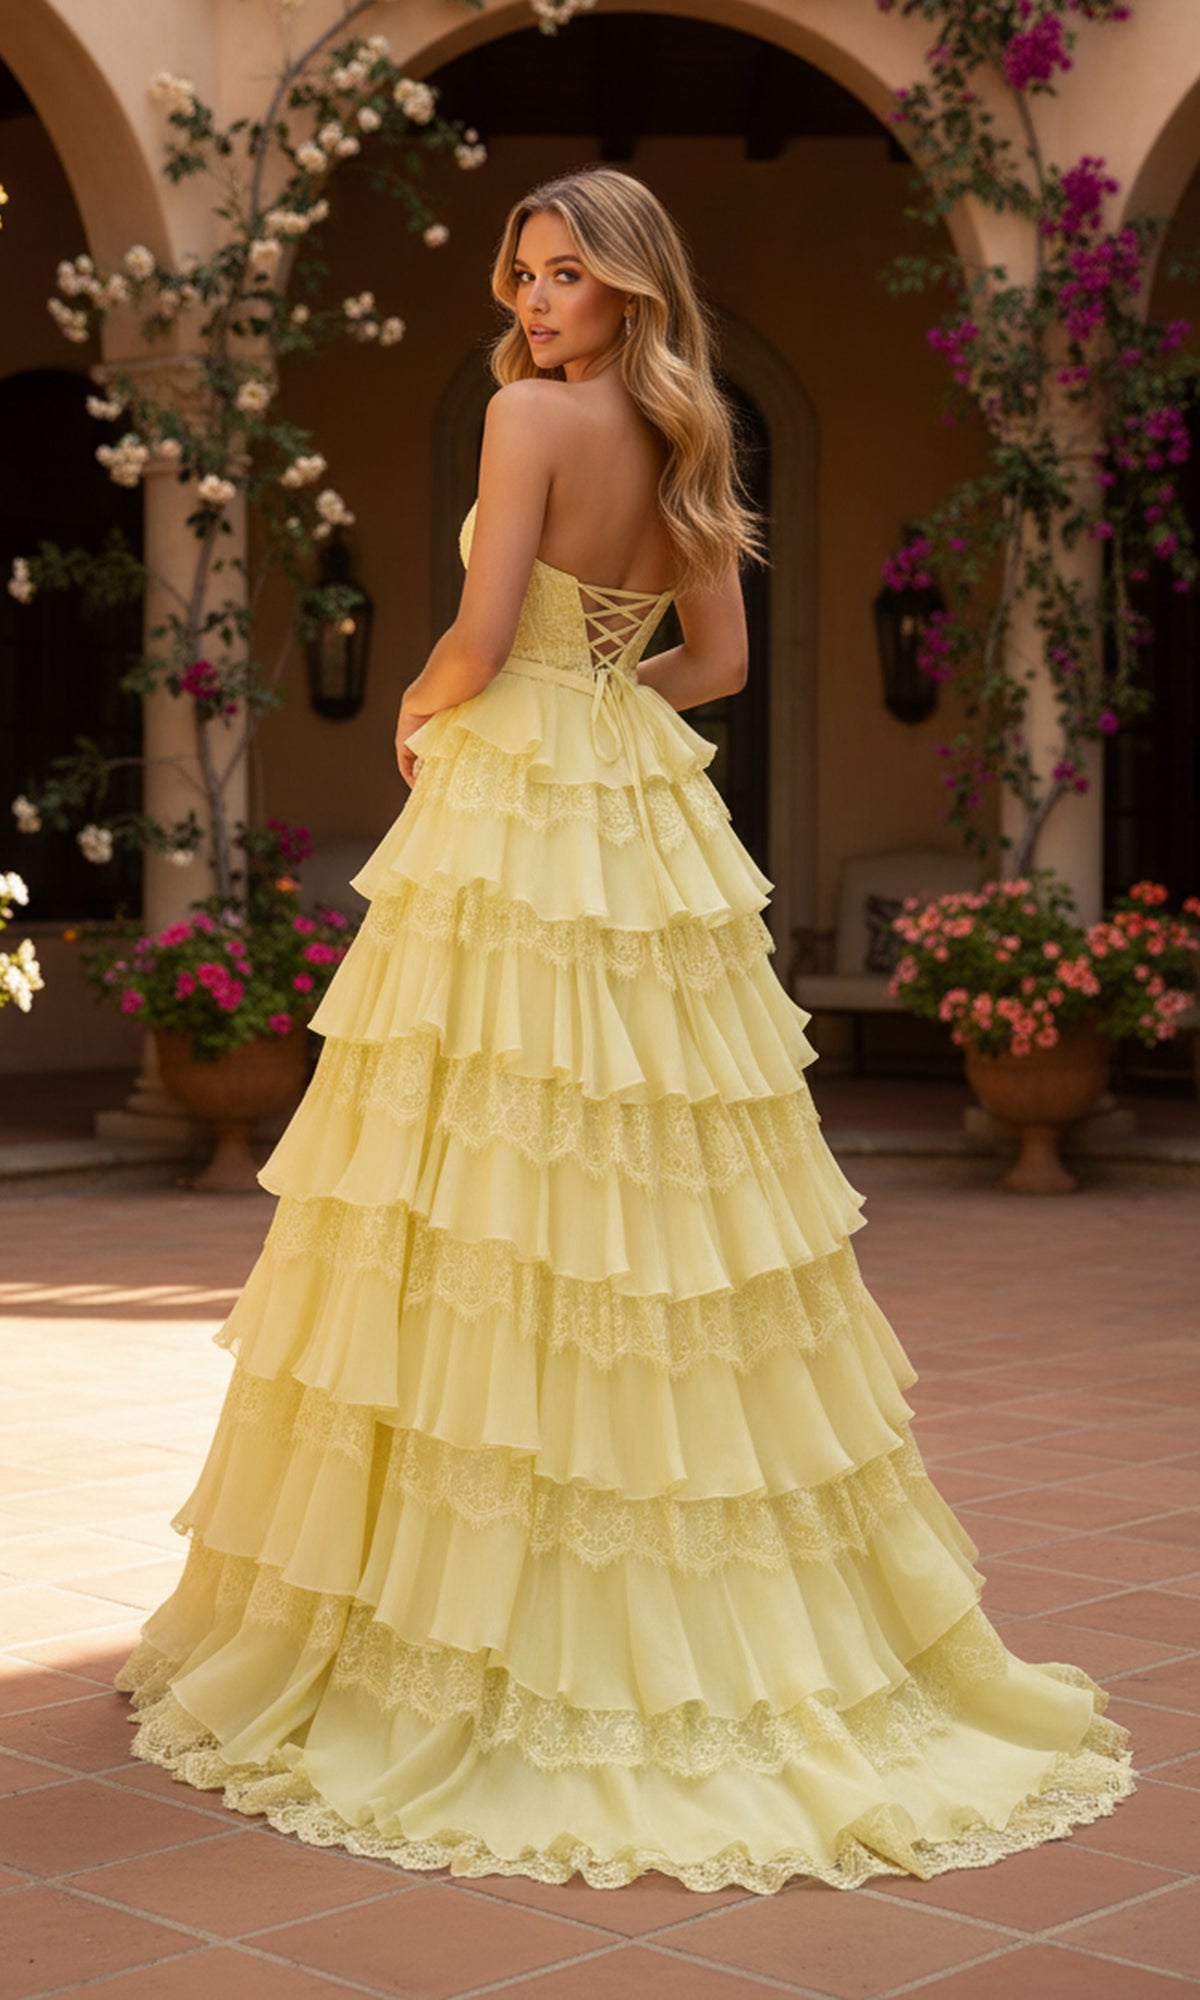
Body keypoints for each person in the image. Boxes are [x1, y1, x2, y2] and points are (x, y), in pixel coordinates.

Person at [115, 165, 1134, 1895]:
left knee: (478, 1152)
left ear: (629, 287)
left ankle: (472, 1597)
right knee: (649, 1169)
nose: (534, 301)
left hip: (520, 801)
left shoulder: (525, 420)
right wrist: (597, 706)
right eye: (523, 273)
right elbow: (717, 664)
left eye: (567, 274)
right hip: (628, 798)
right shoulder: (692, 436)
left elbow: (482, 626)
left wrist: (433, 720)